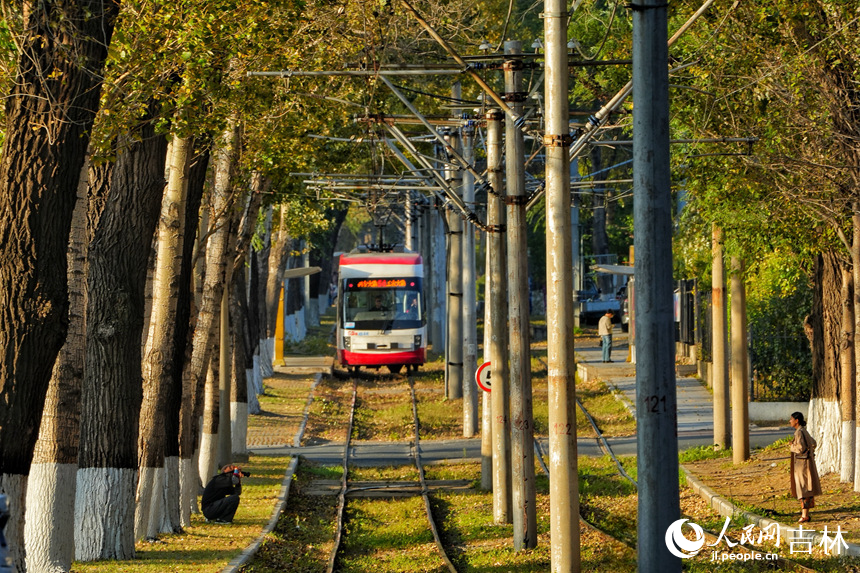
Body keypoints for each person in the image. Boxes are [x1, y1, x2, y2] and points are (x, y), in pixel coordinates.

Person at [789, 412, 822, 523]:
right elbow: (813, 443)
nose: (790, 421)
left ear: (796, 420)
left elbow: (800, 448)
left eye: (791, 419)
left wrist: (792, 446)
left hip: (802, 465)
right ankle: (805, 514)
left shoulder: (799, 432)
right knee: (807, 487)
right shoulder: (804, 431)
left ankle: (804, 515)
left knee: (803, 489)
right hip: (807, 463)